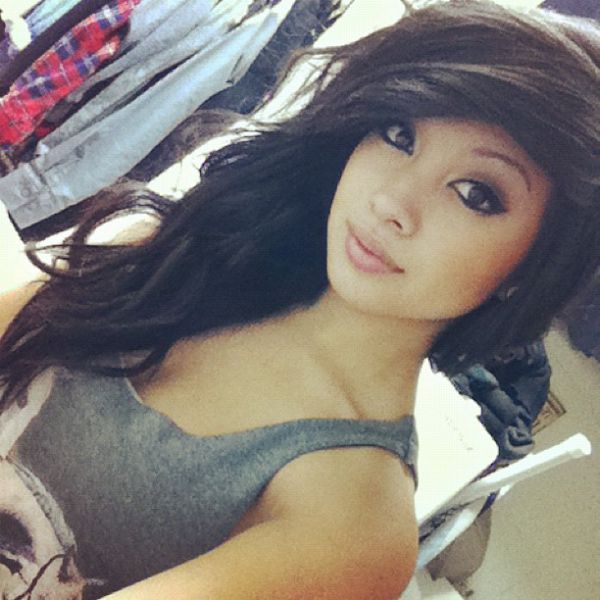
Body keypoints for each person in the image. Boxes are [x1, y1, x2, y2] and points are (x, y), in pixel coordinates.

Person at [0, 1, 598, 598]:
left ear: (533, 268)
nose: (392, 201)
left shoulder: (354, 528)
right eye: (399, 135)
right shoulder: (190, 249)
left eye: (474, 193)